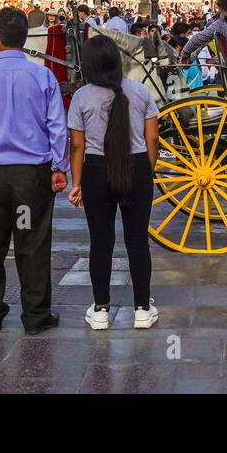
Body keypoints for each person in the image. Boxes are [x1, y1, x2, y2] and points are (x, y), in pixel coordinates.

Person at [0, 7, 68, 335]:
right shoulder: (42, 76)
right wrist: (58, 166)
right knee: (32, 243)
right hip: (31, 177)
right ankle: (35, 315)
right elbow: (56, 126)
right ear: (24, 39)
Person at [67, 36, 160, 329]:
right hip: (136, 166)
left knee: (101, 243)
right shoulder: (141, 92)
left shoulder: (81, 97)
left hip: (96, 169)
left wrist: (77, 183)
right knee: (137, 242)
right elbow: (153, 139)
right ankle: (143, 309)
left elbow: (77, 146)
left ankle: (101, 309)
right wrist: (147, 168)